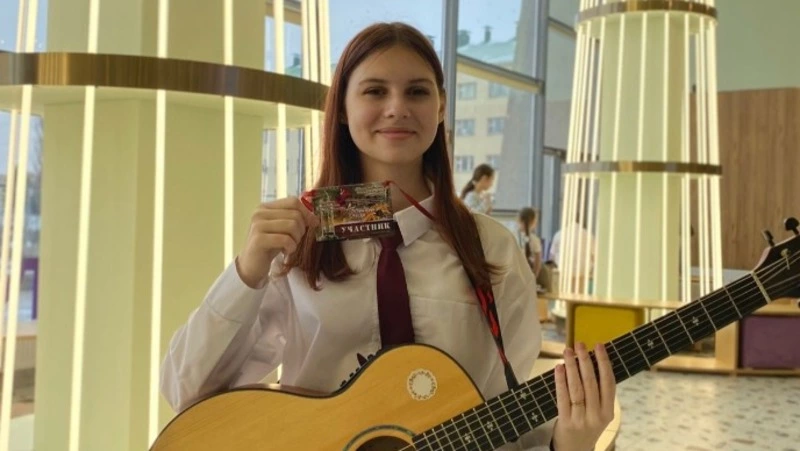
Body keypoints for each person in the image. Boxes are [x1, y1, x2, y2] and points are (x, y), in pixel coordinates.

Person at [160, 22, 615, 451]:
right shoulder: (299, 240)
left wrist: (568, 443)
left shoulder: (491, 250)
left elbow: (506, 423)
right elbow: (187, 392)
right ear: (342, 109)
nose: (397, 107)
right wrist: (247, 272)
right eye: (375, 90)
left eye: (417, 91)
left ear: (441, 107)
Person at [517, 207, 543, 277]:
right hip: (528, 277)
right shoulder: (535, 240)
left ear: (519, 220)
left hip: (512, 276)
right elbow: (537, 263)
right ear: (534, 222)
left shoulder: (512, 236)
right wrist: (534, 278)